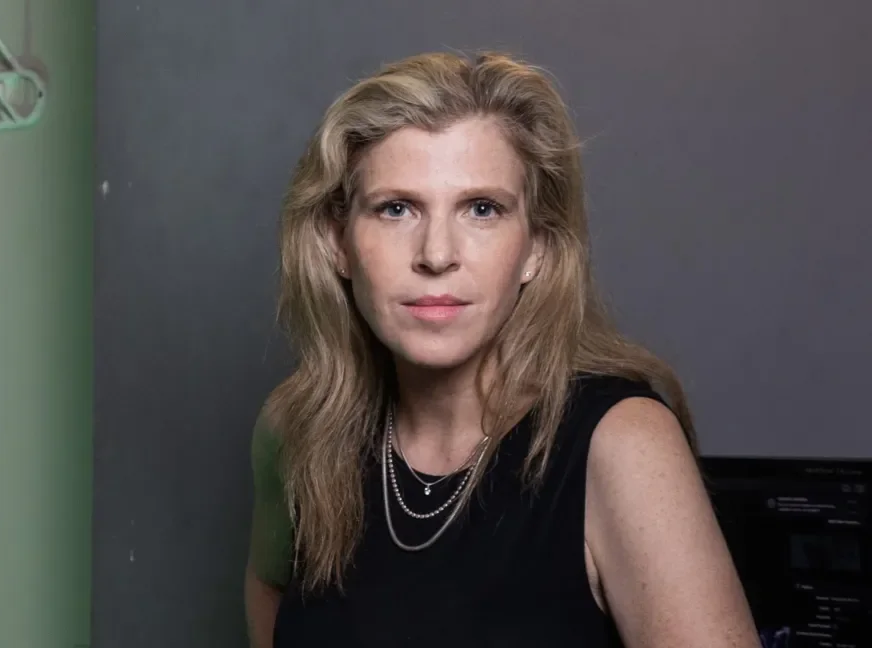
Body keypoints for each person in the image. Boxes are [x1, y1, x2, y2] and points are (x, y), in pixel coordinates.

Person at [244, 51, 759, 648]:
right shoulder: (296, 429)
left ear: (536, 246)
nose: (437, 254)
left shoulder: (622, 442)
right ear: (338, 243)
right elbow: (269, 594)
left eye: (482, 209)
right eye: (396, 208)